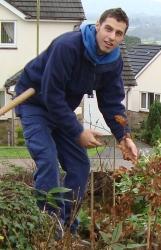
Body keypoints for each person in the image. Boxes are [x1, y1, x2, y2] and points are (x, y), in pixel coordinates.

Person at [15, 8, 138, 236]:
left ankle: (67, 227)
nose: (111, 37)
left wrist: (124, 137)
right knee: (48, 160)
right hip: (35, 103)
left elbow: (111, 103)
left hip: (62, 112)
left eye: (118, 33)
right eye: (108, 28)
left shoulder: (113, 61)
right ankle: (49, 230)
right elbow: (52, 95)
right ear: (98, 26)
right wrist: (77, 131)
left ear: (122, 37)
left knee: (80, 167)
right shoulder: (68, 47)